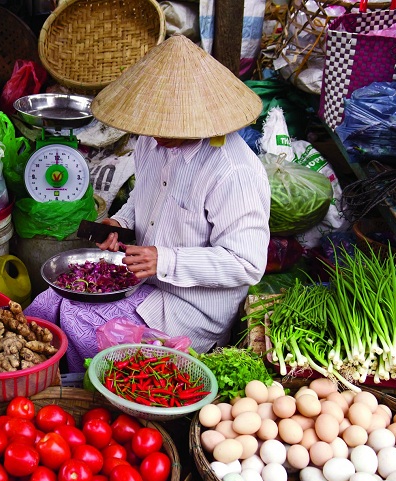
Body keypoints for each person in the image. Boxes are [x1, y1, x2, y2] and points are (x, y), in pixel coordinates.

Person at [25, 35, 270, 372]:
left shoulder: (233, 171)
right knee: (48, 301)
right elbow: (143, 201)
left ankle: (82, 395)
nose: (155, 134)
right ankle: (38, 381)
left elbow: (246, 263)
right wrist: (119, 225)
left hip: (191, 308)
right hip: (145, 282)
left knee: (75, 317)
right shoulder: (151, 143)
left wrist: (164, 259)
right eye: (152, 124)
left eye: (166, 127)